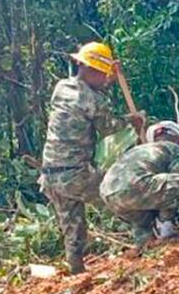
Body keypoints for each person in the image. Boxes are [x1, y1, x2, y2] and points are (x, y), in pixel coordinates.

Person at [40, 41, 145, 273]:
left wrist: (108, 77)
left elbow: (90, 92)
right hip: (75, 173)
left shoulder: (61, 87)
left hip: (50, 174)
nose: (105, 79)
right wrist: (132, 120)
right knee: (122, 197)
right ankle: (148, 247)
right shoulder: (94, 100)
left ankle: (77, 272)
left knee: (72, 226)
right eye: (103, 74)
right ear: (94, 70)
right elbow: (109, 127)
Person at [99, 121, 179, 253]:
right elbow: (176, 188)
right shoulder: (174, 149)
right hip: (137, 184)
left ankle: (146, 252)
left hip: (108, 193)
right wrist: (166, 220)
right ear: (178, 139)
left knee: (144, 222)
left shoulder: (140, 150)